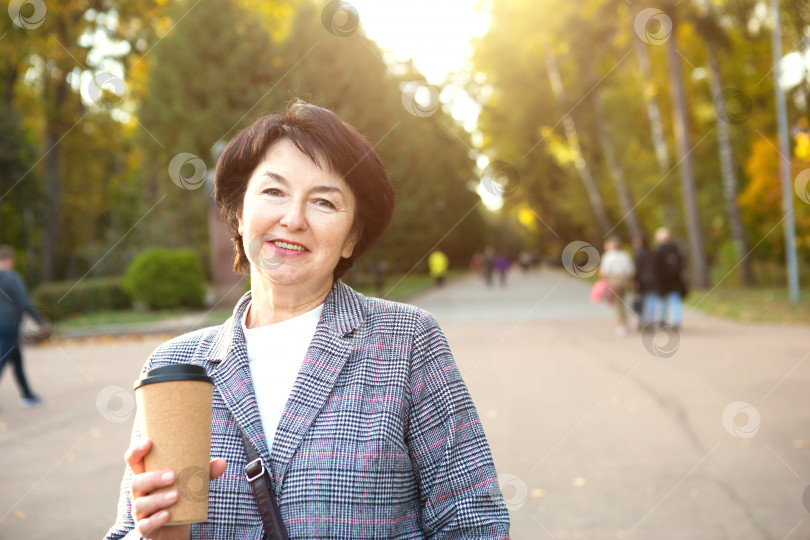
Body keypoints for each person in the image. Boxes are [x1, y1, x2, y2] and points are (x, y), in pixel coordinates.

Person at [105, 102, 509, 539]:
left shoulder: (407, 342)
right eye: (274, 192)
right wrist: (153, 534)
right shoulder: (175, 366)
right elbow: (124, 531)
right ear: (240, 213)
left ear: (352, 237)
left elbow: (475, 523)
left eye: (323, 201)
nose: (293, 219)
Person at [0, 245, 50, 408]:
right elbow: (24, 302)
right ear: (10, 260)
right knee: (3, 360)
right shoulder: (12, 278)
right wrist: (40, 321)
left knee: (17, 360)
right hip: (9, 325)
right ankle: (27, 395)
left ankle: (27, 395)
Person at [598, 236, 635, 336]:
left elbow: (604, 271)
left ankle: (621, 325)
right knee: (623, 301)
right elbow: (631, 270)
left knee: (617, 303)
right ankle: (626, 323)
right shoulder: (625, 255)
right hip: (624, 280)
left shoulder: (608, 256)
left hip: (613, 280)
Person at [652, 227, 686, 330]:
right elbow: (681, 263)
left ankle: (663, 320)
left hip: (663, 281)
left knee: (663, 300)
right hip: (674, 280)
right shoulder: (675, 249)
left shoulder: (658, 250)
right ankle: (676, 321)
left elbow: (655, 267)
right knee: (674, 300)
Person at [632, 234, 657, 330]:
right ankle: (650, 321)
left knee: (641, 301)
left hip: (642, 281)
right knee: (651, 301)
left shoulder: (640, 253)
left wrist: (636, 281)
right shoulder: (653, 252)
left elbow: (638, 269)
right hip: (653, 281)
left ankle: (641, 320)